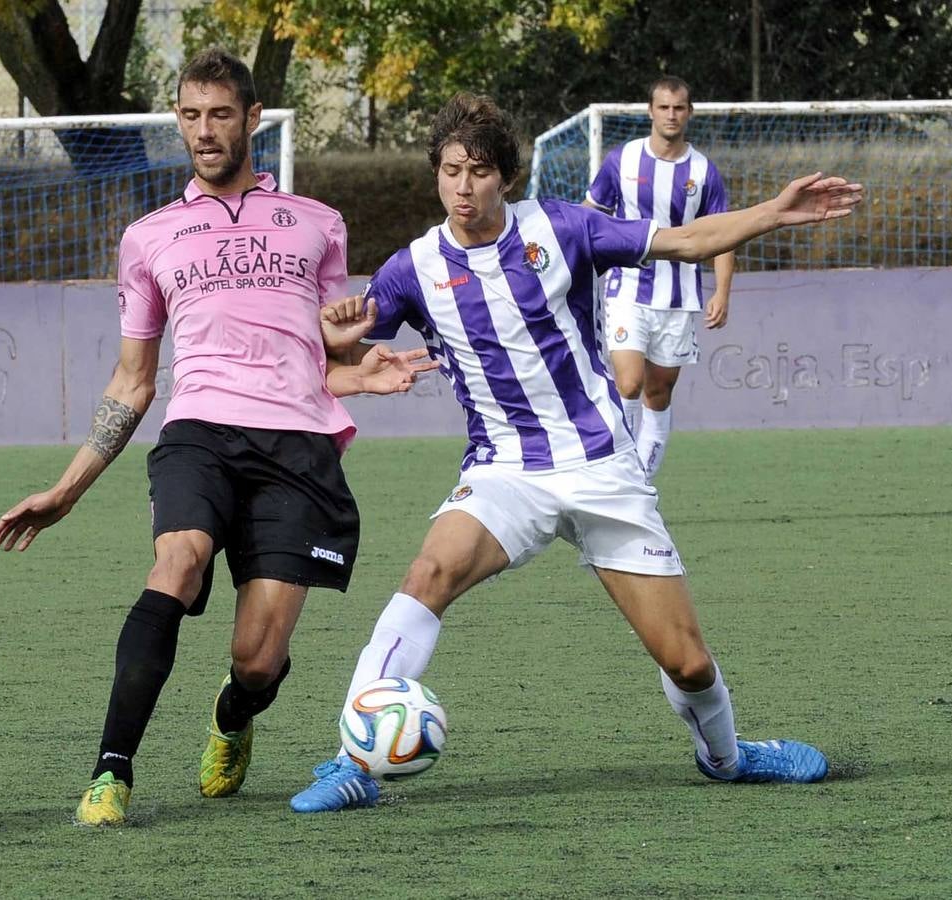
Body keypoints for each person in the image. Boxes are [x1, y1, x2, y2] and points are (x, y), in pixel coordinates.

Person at [289, 91, 861, 813]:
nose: (463, 188)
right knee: (428, 570)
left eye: (479, 172)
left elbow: (679, 242)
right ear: (435, 175)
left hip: (599, 465)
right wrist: (336, 323)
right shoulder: (413, 268)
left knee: (685, 660)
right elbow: (333, 344)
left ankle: (727, 756)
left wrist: (770, 213)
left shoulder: (563, 227)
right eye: (450, 171)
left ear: (506, 177)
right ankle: (353, 760)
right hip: (503, 472)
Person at [0, 48, 435, 827]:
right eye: (190, 116)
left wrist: (363, 368)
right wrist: (67, 488)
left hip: (298, 447)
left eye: (219, 115)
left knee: (257, 659)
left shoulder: (317, 225)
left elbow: (322, 355)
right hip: (198, 432)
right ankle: (110, 773)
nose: (204, 131)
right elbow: (133, 381)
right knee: (178, 562)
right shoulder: (149, 237)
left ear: (252, 119)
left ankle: (234, 715)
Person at [583, 76, 734, 478]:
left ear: (689, 113)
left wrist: (722, 290)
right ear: (650, 111)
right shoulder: (623, 160)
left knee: (658, 391)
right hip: (625, 290)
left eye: (679, 107)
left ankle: (642, 482)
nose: (671, 115)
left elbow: (721, 234)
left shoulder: (703, 171)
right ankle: (619, 473)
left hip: (679, 297)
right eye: (664, 107)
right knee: (628, 383)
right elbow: (591, 214)